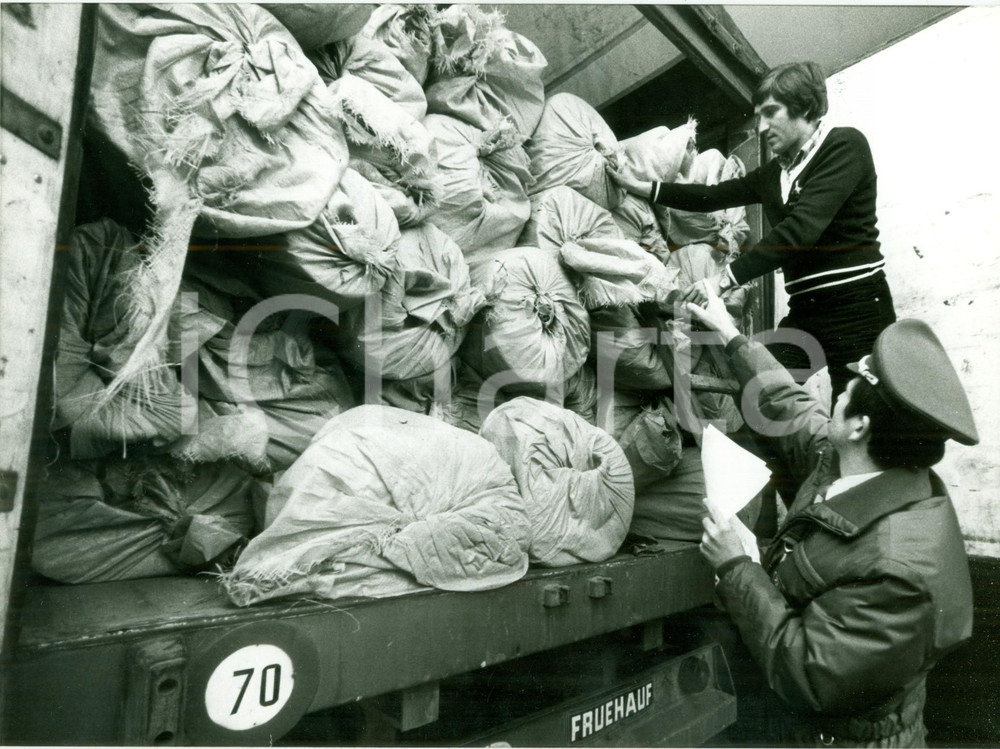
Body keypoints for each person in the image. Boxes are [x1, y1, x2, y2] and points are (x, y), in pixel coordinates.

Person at [686, 287, 977, 747]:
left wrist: (737, 566)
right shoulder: (859, 464)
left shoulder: (902, 572)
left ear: (859, 427)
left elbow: (807, 674)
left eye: (851, 387)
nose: (837, 391)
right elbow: (791, 407)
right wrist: (730, 336)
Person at [610, 61, 896, 402]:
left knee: (858, 417)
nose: (760, 127)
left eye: (770, 112)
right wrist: (643, 187)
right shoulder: (773, 174)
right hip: (807, 310)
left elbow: (799, 232)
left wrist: (723, 278)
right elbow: (710, 196)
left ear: (804, 106)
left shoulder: (844, 146)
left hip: (857, 306)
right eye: (757, 115)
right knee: (761, 397)